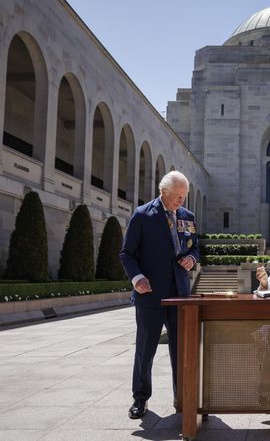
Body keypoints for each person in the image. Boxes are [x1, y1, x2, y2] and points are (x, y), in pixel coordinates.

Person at [120, 170, 199, 419]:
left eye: (184, 196)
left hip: (180, 294)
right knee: (145, 349)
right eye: (177, 196)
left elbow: (194, 246)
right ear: (163, 192)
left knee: (182, 349)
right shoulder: (143, 215)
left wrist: (192, 258)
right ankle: (140, 399)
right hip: (150, 294)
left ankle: (183, 398)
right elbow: (127, 254)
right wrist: (136, 277)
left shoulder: (187, 216)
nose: (181, 201)